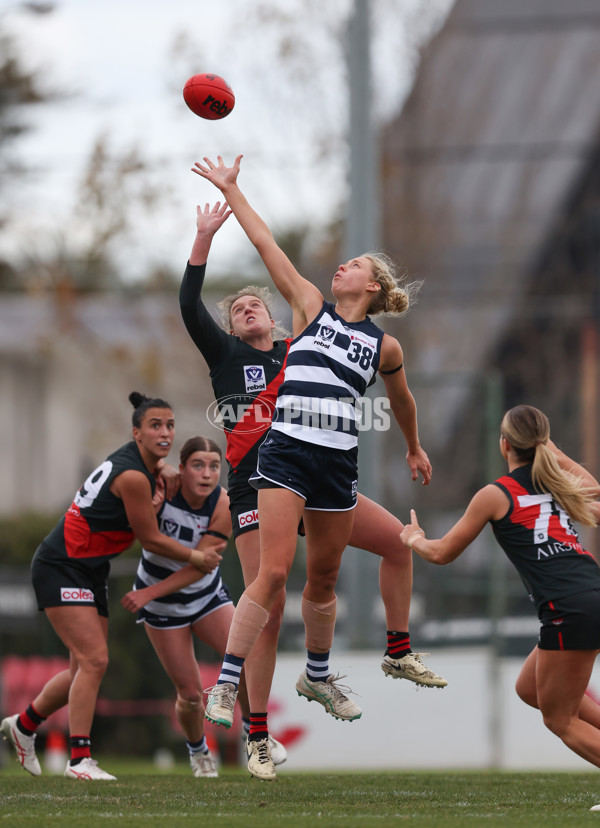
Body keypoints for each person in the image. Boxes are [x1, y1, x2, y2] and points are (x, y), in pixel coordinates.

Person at [189, 154, 434, 780]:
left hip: (336, 465)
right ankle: (228, 689)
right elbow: (266, 240)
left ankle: (318, 676)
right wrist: (233, 190)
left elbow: (401, 399)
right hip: (285, 456)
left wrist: (412, 444)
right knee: (270, 576)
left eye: (355, 264)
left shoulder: (385, 345)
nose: (341, 266)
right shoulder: (309, 307)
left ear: (372, 287)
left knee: (322, 580)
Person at [0, 393, 221, 782]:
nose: (165, 432)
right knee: (95, 661)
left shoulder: (147, 466)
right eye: (155, 425)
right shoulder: (135, 476)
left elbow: (154, 480)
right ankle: (79, 760)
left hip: (90, 569)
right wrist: (196, 558)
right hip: (61, 565)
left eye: (170, 425)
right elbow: (150, 540)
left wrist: (164, 469)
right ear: (136, 433)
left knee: (83, 667)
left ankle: (24, 725)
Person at [399, 404, 600, 771]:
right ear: (543, 442)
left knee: (560, 720)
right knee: (530, 688)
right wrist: (552, 449)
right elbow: (593, 488)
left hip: (567, 607)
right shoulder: (557, 485)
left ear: (504, 444)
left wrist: (413, 539)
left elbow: (442, 553)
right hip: (589, 595)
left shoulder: (496, 494)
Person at [121, 435, 259, 778]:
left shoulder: (223, 503)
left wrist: (147, 593)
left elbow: (201, 565)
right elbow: (132, 463)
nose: (207, 474)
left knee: (246, 659)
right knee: (191, 694)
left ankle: (254, 736)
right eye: (197, 465)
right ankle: (198, 752)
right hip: (163, 610)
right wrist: (158, 469)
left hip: (204, 596)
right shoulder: (162, 490)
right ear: (181, 469)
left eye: (214, 466)